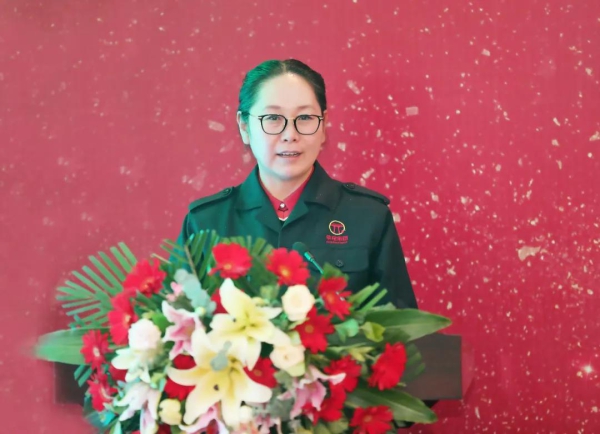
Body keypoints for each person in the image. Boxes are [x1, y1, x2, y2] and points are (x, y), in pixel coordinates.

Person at [175, 59, 417, 309]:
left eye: (305, 117)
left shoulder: (368, 217)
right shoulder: (205, 223)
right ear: (244, 127)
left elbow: (402, 326)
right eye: (272, 118)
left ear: (323, 124)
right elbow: (179, 321)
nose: (290, 134)